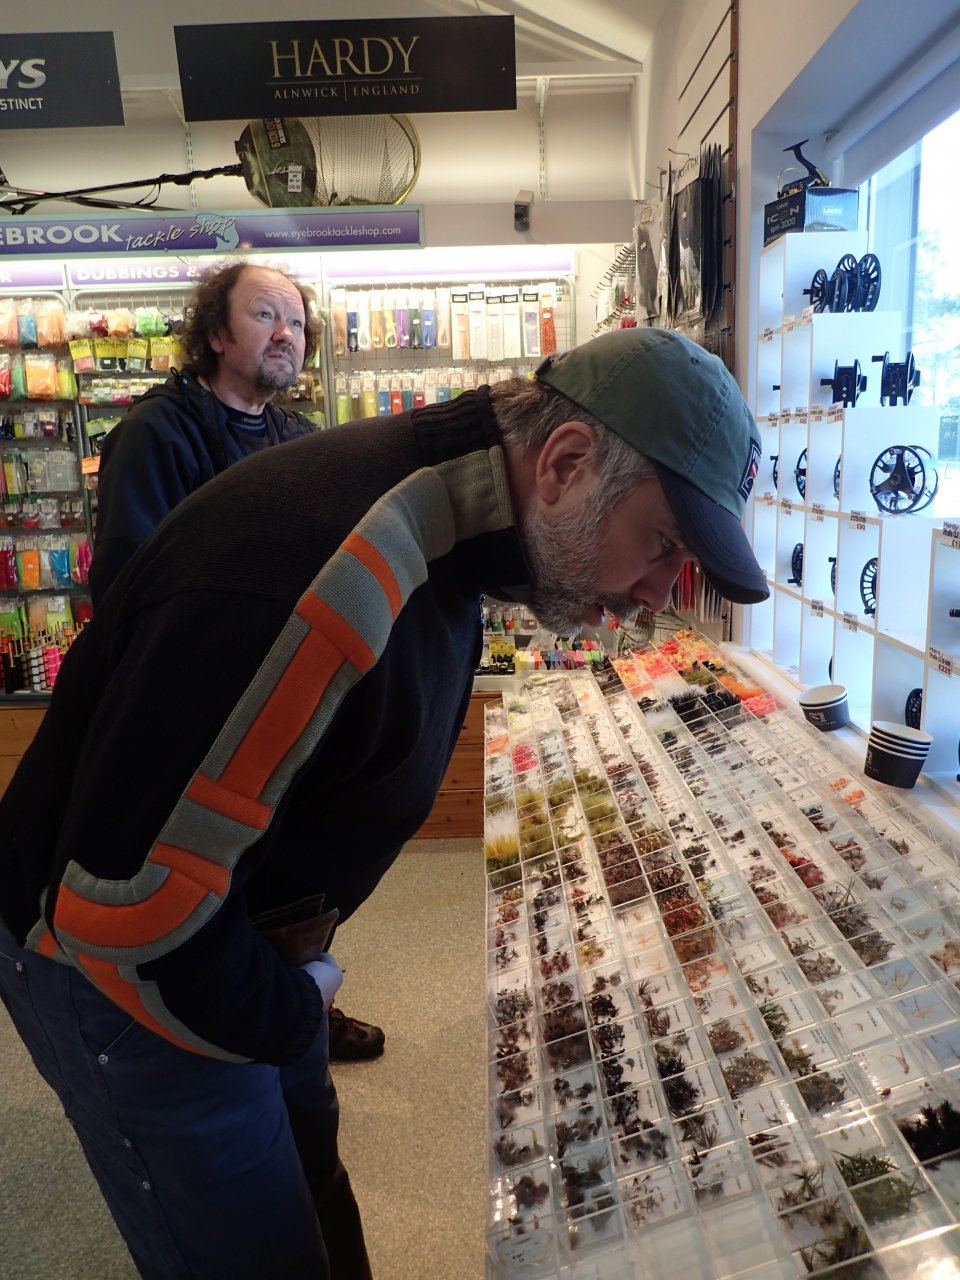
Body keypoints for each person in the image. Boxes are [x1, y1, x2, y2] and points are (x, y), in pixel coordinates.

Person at [0, 325, 768, 1279]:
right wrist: (294, 1006)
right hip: (127, 974)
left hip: (239, 943)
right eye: (662, 546)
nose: (658, 594)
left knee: (312, 1196)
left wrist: (289, 1001)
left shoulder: (453, 517)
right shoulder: (336, 565)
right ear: (566, 462)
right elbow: (128, 912)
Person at [88, 259, 386, 1064]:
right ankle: (210, 1032)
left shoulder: (301, 439)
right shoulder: (157, 434)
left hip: (289, 698)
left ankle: (297, 1011)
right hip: (195, 711)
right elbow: (128, 581)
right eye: (265, 316)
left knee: (291, 877)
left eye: (295, 320)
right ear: (215, 333)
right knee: (211, 886)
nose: (286, 333)